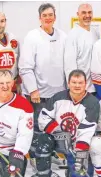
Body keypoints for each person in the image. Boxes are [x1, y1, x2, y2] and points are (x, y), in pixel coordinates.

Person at [30, 70, 100, 177]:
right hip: (56, 139)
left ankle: (71, 168)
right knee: (42, 141)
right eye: (74, 82)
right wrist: (58, 133)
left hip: (76, 145)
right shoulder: (58, 97)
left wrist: (80, 154)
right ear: (68, 83)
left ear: (86, 84)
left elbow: (87, 130)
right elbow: (43, 117)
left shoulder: (93, 103)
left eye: (80, 83)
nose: (77, 85)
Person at [19, 3, 67, 133]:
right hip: (39, 96)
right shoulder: (32, 36)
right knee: (39, 130)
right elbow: (25, 67)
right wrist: (33, 90)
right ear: (40, 18)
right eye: (44, 15)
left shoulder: (63, 36)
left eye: (50, 15)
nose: (48, 18)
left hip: (59, 94)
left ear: (55, 17)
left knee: (57, 129)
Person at [64, 3, 99, 94]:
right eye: (84, 13)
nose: (87, 15)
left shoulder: (95, 33)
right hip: (81, 89)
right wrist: (75, 88)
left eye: (89, 12)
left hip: (95, 87)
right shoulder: (73, 35)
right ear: (78, 14)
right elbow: (69, 65)